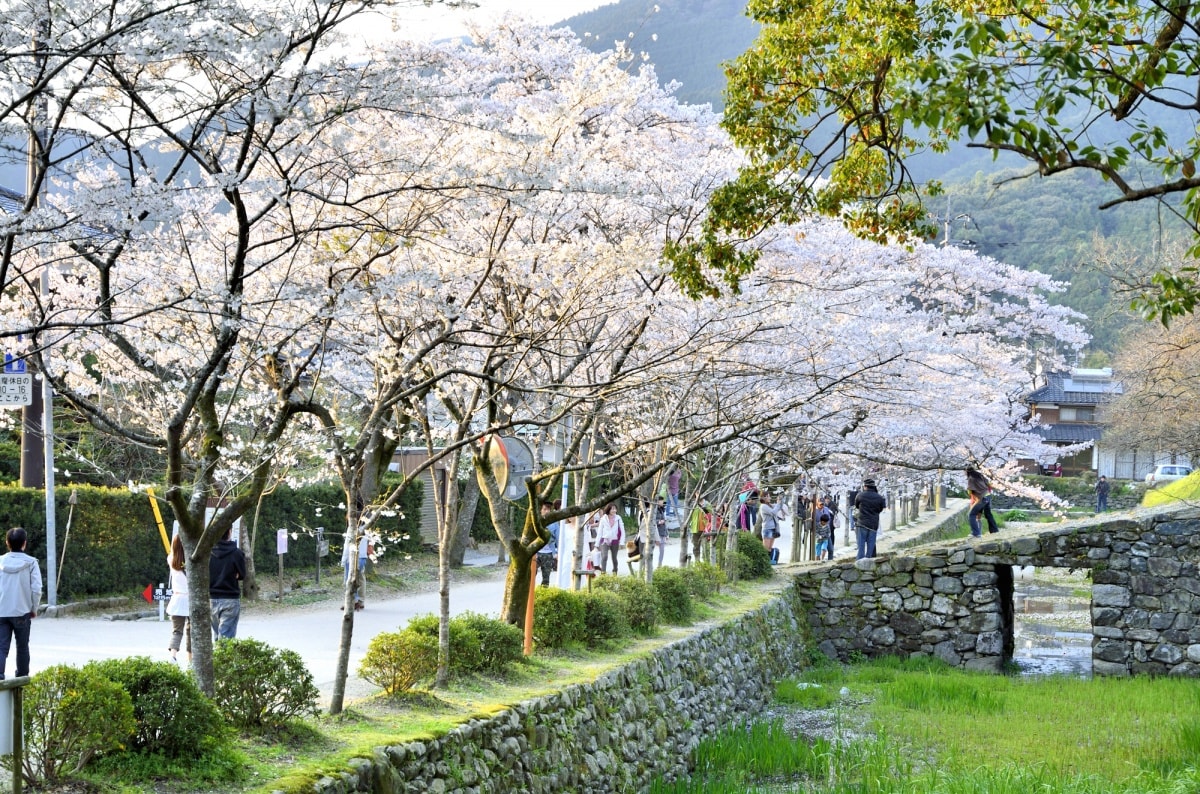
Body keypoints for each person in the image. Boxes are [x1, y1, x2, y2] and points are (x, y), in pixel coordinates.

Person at [0, 528, 41, 679]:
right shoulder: (31, 563)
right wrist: (34, 609)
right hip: (22, 611)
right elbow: (36, 589)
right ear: (24, 543)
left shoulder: (0, 561)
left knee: (1, 647)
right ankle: (22, 677)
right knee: (22, 647)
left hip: (1, 611)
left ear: (7, 543)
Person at [209, 526, 246, 640]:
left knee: (217, 636)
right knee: (226, 638)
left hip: (212, 598)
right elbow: (242, 575)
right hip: (230, 597)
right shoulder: (237, 553)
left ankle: (217, 657)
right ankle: (223, 658)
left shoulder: (208, 553)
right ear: (230, 532)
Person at [166, 534, 190, 663]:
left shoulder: (171, 559)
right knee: (191, 632)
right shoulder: (190, 561)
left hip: (177, 600)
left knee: (177, 632)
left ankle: (173, 656)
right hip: (190, 600)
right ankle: (190, 660)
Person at [853, 479, 887, 559]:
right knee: (871, 545)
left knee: (861, 545)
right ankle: (869, 561)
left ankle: (860, 561)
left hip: (862, 523)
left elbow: (857, 506)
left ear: (865, 486)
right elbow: (880, 509)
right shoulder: (879, 497)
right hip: (873, 524)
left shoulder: (860, 495)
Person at [965, 467, 1000, 537]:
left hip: (982, 498)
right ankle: (994, 530)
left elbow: (970, 491)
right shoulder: (980, 476)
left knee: (971, 515)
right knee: (988, 514)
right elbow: (989, 484)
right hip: (988, 496)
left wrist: (975, 499)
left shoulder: (971, 479)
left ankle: (976, 533)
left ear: (967, 471)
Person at [758, 492, 786, 564]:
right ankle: (763, 563)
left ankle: (769, 562)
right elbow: (773, 512)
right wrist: (777, 505)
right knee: (766, 548)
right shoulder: (763, 506)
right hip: (767, 529)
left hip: (773, 528)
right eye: (768, 496)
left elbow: (779, 507)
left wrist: (780, 500)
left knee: (770, 547)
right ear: (764, 498)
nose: (770, 498)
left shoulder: (769, 505)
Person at [537, 501, 560, 587]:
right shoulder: (536, 522)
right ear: (541, 510)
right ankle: (530, 595)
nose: (546, 511)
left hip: (549, 553)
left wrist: (557, 553)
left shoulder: (554, 524)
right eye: (544, 509)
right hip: (536, 552)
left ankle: (543, 595)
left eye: (548, 509)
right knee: (531, 574)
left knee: (546, 578)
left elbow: (558, 539)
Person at [596, 503, 623, 574]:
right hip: (604, 540)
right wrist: (596, 544)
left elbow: (622, 530)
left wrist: (622, 541)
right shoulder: (603, 519)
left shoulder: (618, 518)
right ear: (608, 509)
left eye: (615, 509)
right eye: (612, 509)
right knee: (604, 556)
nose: (614, 510)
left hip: (614, 540)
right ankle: (603, 573)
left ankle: (615, 571)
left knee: (614, 558)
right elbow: (599, 532)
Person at [653, 497, 668, 566]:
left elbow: (665, 523)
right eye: (661, 501)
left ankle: (660, 564)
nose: (662, 502)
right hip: (656, 532)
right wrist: (659, 522)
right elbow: (652, 521)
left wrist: (666, 534)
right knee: (651, 549)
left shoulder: (662, 510)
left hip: (662, 532)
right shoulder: (654, 510)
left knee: (662, 550)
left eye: (662, 501)